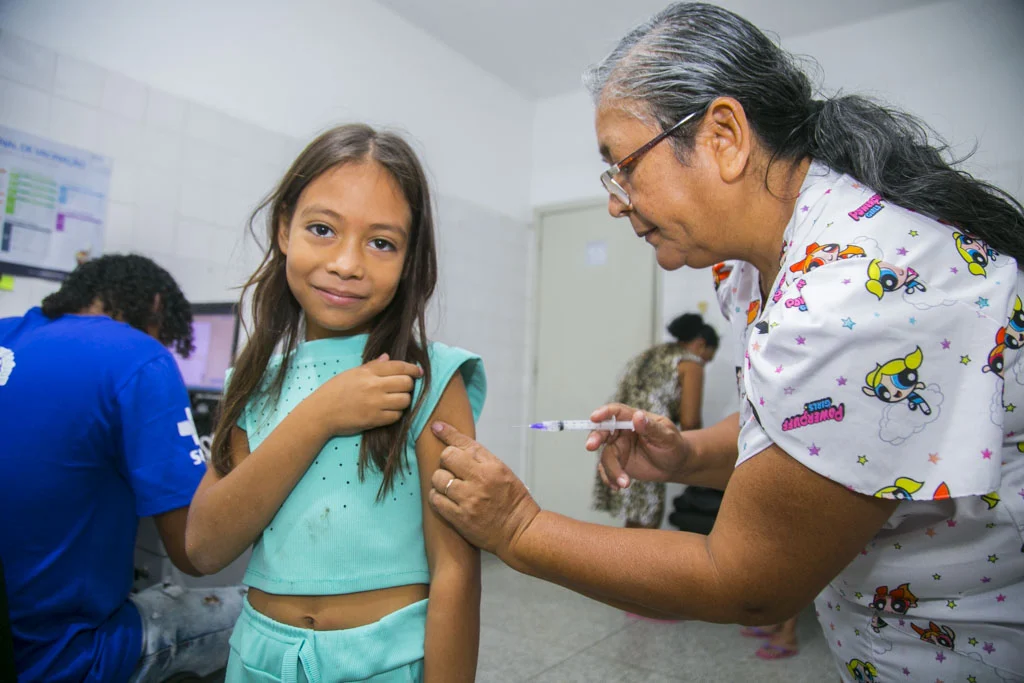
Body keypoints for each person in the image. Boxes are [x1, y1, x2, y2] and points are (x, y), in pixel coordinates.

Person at [422, 4, 1024, 682]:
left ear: (724, 136)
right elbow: (811, 426)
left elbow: (748, 580)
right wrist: (686, 454)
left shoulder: (855, 291)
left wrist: (520, 529)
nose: (616, 202)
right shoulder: (756, 267)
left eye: (623, 167)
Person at [184, 124, 487, 682]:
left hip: (387, 663)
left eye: (381, 242)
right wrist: (321, 414)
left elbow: (456, 571)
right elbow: (204, 546)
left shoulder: (428, 377)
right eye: (322, 229)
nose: (348, 263)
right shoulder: (250, 383)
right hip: (259, 660)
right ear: (283, 230)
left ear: (409, 257)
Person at [0, 254, 244, 683]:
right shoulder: (137, 356)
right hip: (64, 654)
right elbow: (194, 552)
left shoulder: (8, 334)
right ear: (154, 304)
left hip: (18, 633)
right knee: (254, 608)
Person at [593, 312, 718, 530]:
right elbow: (690, 422)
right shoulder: (690, 363)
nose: (704, 363)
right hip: (645, 441)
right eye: (707, 357)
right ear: (700, 344)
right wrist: (697, 458)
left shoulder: (651, 354)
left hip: (615, 437)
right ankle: (633, 565)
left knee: (634, 520)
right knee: (646, 524)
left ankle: (623, 564)